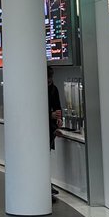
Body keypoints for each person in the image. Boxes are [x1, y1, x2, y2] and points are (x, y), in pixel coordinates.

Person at [47, 65, 62, 200]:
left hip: (49, 130)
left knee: (46, 157)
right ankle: (46, 185)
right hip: (42, 129)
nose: (49, 80)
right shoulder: (40, 90)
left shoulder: (53, 90)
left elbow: (57, 106)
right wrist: (49, 115)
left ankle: (47, 184)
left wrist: (58, 118)